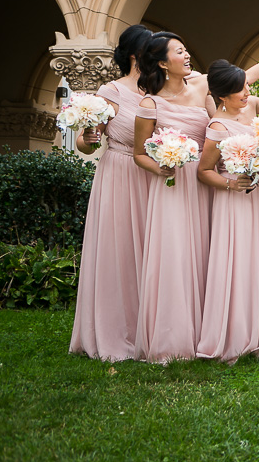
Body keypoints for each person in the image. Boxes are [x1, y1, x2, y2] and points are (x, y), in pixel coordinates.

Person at [70, 24, 154, 362]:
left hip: (154, 175)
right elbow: (86, 140)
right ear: (136, 55)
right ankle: (117, 330)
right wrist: (87, 140)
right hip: (119, 174)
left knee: (153, 248)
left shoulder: (159, 91)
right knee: (119, 251)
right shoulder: (112, 91)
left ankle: (152, 327)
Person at [132, 32, 214, 363]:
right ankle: (171, 338)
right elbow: (139, 153)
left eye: (186, 49)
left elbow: (242, 78)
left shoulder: (201, 87)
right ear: (164, 63)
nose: (187, 55)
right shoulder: (150, 104)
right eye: (180, 52)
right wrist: (160, 168)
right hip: (170, 187)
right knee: (175, 255)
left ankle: (206, 333)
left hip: (202, 182)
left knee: (205, 251)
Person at [196, 61, 259, 363]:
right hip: (234, 202)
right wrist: (229, 184)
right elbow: (204, 171)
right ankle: (235, 334)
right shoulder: (218, 127)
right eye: (240, 89)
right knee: (238, 262)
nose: (247, 92)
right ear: (223, 96)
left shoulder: (253, 123)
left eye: (247, 86)